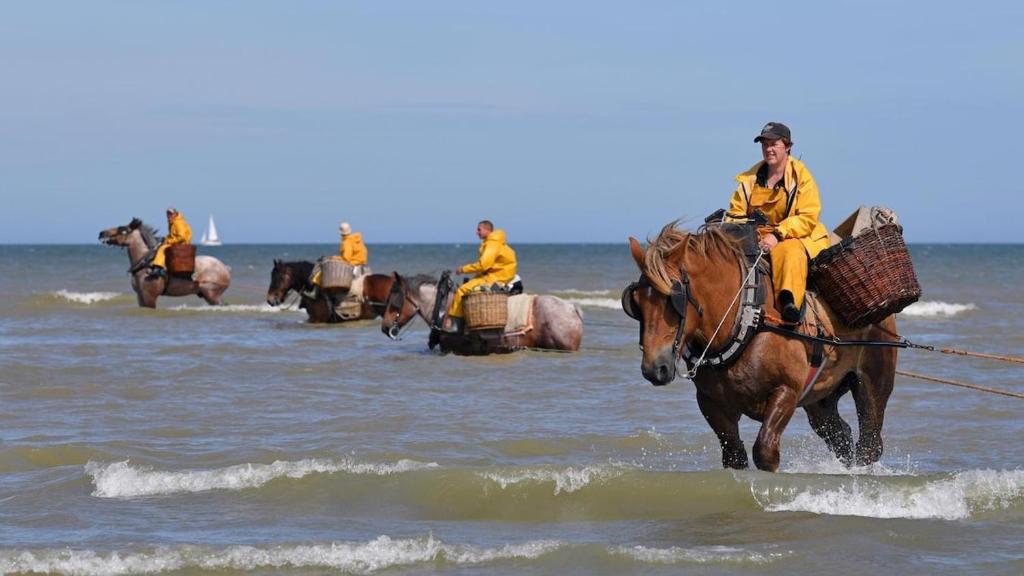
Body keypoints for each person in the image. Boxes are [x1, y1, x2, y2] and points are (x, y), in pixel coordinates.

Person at [725, 122, 830, 323]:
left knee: (788, 251)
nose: (768, 149)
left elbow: (808, 217)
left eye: (774, 144)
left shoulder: (802, 177)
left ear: (788, 146)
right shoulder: (749, 179)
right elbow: (735, 213)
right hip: (756, 237)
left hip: (794, 235)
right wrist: (745, 233)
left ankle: (789, 304)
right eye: (765, 144)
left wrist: (776, 235)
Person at [446, 220, 518, 331]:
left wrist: (463, 269)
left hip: (495, 278)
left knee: (462, 290)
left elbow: (483, 265)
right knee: (471, 283)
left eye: (479, 229)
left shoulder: (492, 244)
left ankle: (455, 327)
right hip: (501, 275)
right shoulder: (498, 242)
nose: (476, 232)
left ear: (487, 230)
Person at [149, 207, 192, 279]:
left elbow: (182, 237)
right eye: (168, 214)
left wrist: (169, 241)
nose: (169, 215)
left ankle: (158, 268)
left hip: (182, 243)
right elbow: (172, 235)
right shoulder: (172, 222)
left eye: (171, 214)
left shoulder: (178, 223)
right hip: (177, 242)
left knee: (163, 248)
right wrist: (165, 238)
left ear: (175, 214)